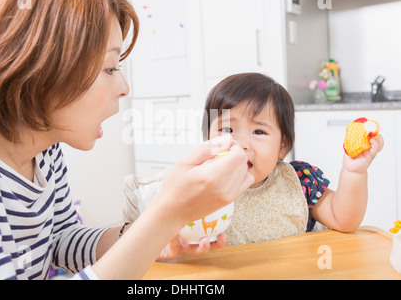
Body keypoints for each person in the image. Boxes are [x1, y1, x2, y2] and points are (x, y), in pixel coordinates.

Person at [0, 0, 254, 280]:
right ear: (38, 66)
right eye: (110, 68)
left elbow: (61, 239)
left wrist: (155, 235)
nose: (124, 88)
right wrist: (164, 217)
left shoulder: (44, 148)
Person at [123, 73, 384, 245]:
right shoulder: (197, 184)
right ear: (208, 140)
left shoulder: (300, 181)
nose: (241, 143)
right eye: (227, 129)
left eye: (259, 131)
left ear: (283, 146)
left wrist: (354, 172)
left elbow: (344, 219)